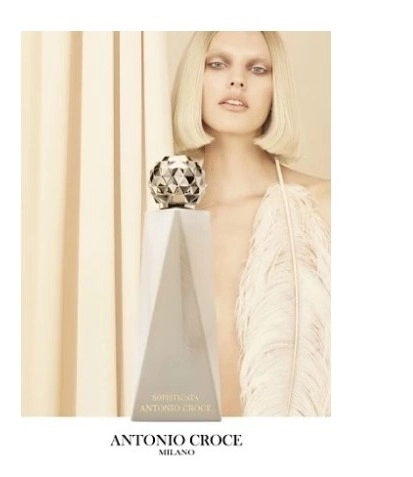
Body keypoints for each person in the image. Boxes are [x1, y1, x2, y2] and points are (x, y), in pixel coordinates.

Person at [171, 31, 330, 416]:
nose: (237, 80)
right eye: (217, 64)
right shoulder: (164, 221)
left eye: (258, 69)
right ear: (194, 78)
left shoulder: (324, 206)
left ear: (277, 89)